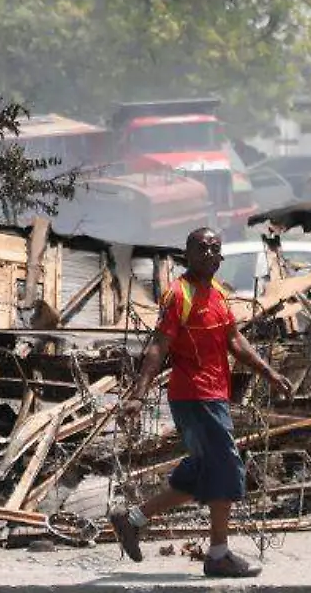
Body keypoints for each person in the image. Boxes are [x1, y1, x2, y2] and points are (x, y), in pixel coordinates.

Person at [108, 227, 291, 579]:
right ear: (187, 254)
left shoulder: (219, 293)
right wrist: (138, 394)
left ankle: (132, 520)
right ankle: (218, 555)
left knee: (202, 471)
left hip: (214, 395)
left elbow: (234, 340)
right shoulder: (179, 295)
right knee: (226, 468)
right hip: (194, 397)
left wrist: (269, 373)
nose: (209, 254)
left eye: (215, 249)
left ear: (221, 257)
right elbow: (158, 346)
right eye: (202, 248)